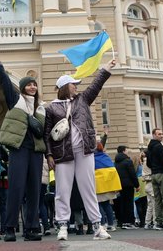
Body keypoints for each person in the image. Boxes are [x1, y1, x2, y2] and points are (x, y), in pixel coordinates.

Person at [44, 58, 116, 241]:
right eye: (73, 84)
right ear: (64, 87)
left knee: (89, 188)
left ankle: (97, 226)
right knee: (62, 190)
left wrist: (106, 69)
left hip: (85, 151)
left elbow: (96, 85)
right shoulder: (51, 107)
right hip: (63, 154)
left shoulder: (83, 100)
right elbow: (47, 134)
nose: (76, 87)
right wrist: (49, 155)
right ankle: (62, 226)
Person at [0, 48, 45, 242]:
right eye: (29, 84)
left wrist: (50, 155)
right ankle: (9, 228)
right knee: (16, 189)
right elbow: (4, 81)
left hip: (36, 151)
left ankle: (32, 228)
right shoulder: (16, 100)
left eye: (35, 84)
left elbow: (45, 133)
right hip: (19, 150)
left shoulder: (42, 107)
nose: (33, 87)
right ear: (23, 87)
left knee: (35, 191)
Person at [114, 145, 139, 229]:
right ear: (124, 151)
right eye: (127, 150)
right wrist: (137, 185)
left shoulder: (116, 162)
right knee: (129, 203)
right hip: (128, 185)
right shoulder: (128, 161)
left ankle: (123, 222)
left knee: (122, 203)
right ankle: (130, 222)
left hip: (120, 185)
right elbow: (132, 174)